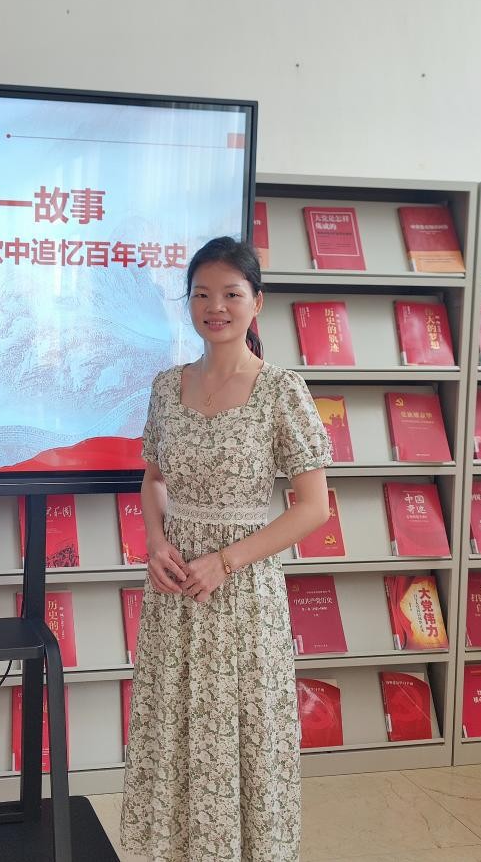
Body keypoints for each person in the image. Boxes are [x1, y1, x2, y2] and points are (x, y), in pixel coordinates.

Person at [118, 235, 332, 862]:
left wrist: (227, 560)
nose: (216, 307)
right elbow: (154, 481)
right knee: (174, 722)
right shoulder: (166, 386)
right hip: (175, 589)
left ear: (256, 302)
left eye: (231, 294)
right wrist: (156, 541)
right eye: (202, 294)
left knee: (242, 727)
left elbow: (313, 507)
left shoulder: (281, 390)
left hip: (243, 593)